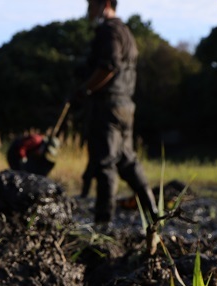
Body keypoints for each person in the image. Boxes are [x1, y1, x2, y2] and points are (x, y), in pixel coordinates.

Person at [71, 0, 158, 225]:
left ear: (105, 4)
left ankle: (103, 226)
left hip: (108, 106)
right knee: (127, 160)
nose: (88, 10)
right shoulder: (126, 32)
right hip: (126, 105)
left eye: (91, 5)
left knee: (105, 163)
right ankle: (155, 213)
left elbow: (108, 65)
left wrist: (84, 89)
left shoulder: (108, 31)